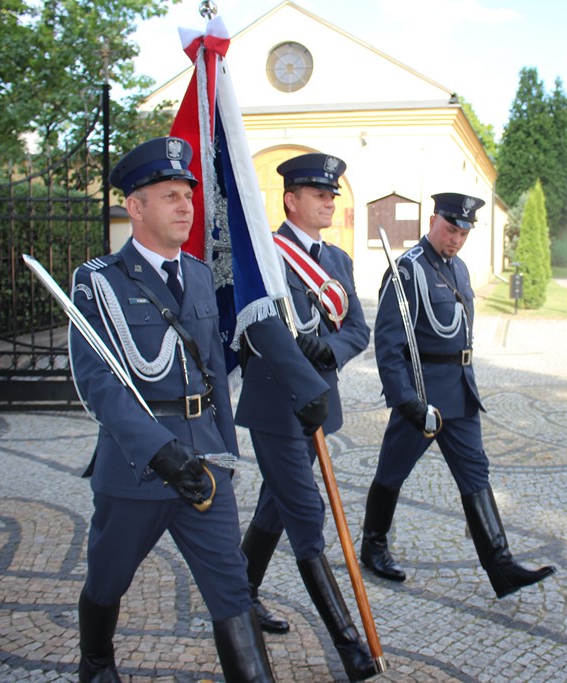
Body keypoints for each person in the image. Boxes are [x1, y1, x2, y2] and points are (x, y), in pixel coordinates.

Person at [68, 137, 274, 682]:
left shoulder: (201, 276)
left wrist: (224, 452)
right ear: (135, 207)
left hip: (204, 462)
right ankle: (96, 662)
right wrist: (161, 452)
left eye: (188, 195)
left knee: (232, 587)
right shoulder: (99, 282)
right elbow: (98, 383)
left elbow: (214, 375)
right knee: (108, 579)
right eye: (170, 196)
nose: (186, 206)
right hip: (137, 466)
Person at [359, 192, 554, 599]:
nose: (456, 239)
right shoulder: (408, 271)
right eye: (450, 230)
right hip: (423, 395)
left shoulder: (459, 269)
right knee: (393, 470)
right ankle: (373, 546)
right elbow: (389, 345)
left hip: (461, 392)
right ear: (433, 221)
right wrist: (406, 401)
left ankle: (500, 565)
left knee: (475, 473)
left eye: (464, 233)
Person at [234, 152, 377, 681]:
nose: (329, 202)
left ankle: (242, 594)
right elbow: (260, 328)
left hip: (317, 403)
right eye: (319, 194)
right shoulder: (265, 256)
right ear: (290, 200)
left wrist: (330, 351)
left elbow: (357, 329)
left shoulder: (337, 260)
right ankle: (349, 644)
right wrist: (303, 360)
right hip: (275, 406)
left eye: (332, 194)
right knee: (305, 511)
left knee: (276, 504)